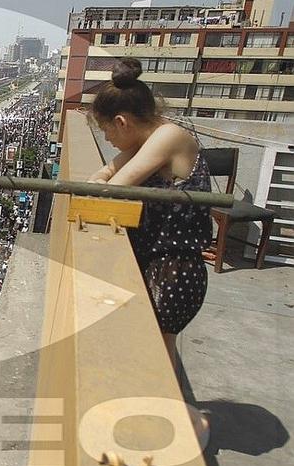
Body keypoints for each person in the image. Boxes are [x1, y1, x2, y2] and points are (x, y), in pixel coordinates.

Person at [87, 57, 212, 364]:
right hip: (158, 262)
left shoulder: (168, 137)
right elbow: (101, 176)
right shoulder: (149, 140)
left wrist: (106, 178)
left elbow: (111, 188)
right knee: (154, 356)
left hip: (173, 269)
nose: (107, 139)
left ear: (121, 122)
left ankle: (180, 412)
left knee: (155, 360)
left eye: (107, 131)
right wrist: (106, 175)